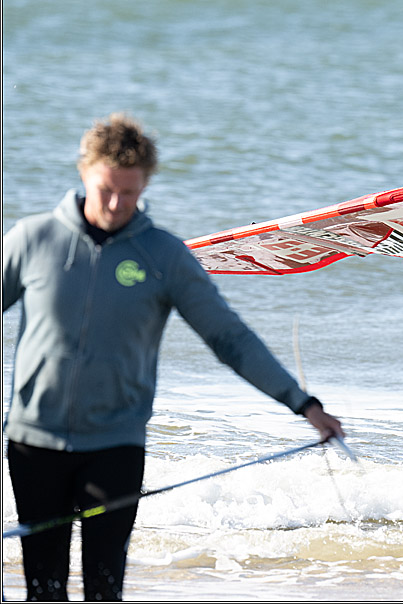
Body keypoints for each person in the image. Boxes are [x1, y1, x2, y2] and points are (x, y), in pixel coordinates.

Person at [2, 113, 346, 601]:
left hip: (114, 449)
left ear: (145, 185)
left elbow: (229, 338)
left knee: (104, 588)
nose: (118, 204)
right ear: (84, 173)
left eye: (131, 193)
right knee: (43, 589)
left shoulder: (162, 257)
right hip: (34, 445)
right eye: (107, 190)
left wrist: (303, 404)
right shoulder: (33, 240)